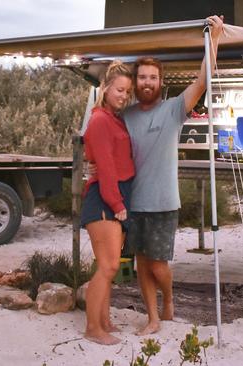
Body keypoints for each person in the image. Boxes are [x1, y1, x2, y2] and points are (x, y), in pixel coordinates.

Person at [123, 15, 224, 335]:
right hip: (133, 202)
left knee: (158, 265)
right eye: (142, 78)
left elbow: (202, 80)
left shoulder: (174, 109)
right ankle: (152, 317)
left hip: (165, 201)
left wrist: (215, 38)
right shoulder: (124, 116)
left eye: (152, 77)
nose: (147, 82)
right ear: (136, 82)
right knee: (141, 263)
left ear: (160, 81)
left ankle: (168, 297)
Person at [80, 60, 134, 345]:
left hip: (116, 193)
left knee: (107, 265)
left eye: (127, 91)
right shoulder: (100, 119)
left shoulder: (114, 117)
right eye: (120, 90)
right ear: (106, 87)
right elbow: (105, 165)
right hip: (104, 196)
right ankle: (92, 328)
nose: (124, 96)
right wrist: (116, 203)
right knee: (109, 266)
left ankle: (104, 320)